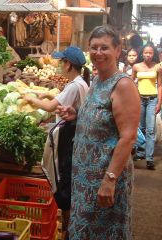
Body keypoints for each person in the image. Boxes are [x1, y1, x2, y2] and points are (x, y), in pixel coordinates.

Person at [57, 25, 140, 239]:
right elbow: (102, 117)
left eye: (105, 48)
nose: (98, 53)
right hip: (85, 178)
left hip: (105, 177)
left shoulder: (123, 85)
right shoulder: (97, 80)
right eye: (94, 48)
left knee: (104, 231)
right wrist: (76, 114)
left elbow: (128, 137)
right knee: (85, 229)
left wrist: (109, 180)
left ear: (117, 50)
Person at [24, 46, 90, 239]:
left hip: (69, 138)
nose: (59, 65)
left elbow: (51, 108)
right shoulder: (80, 83)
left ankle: (68, 229)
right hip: (75, 135)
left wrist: (32, 98)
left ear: (68, 64)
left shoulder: (73, 86)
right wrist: (48, 95)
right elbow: (61, 101)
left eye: (61, 62)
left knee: (64, 182)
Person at [131, 44, 162, 170]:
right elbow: (131, 83)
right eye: (145, 52)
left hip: (152, 100)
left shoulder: (157, 67)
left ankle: (149, 158)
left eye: (150, 53)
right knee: (140, 128)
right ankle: (140, 153)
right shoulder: (136, 67)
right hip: (139, 100)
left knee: (150, 130)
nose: (148, 55)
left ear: (153, 54)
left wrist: (159, 102)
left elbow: (160, 85)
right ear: (142, 53)